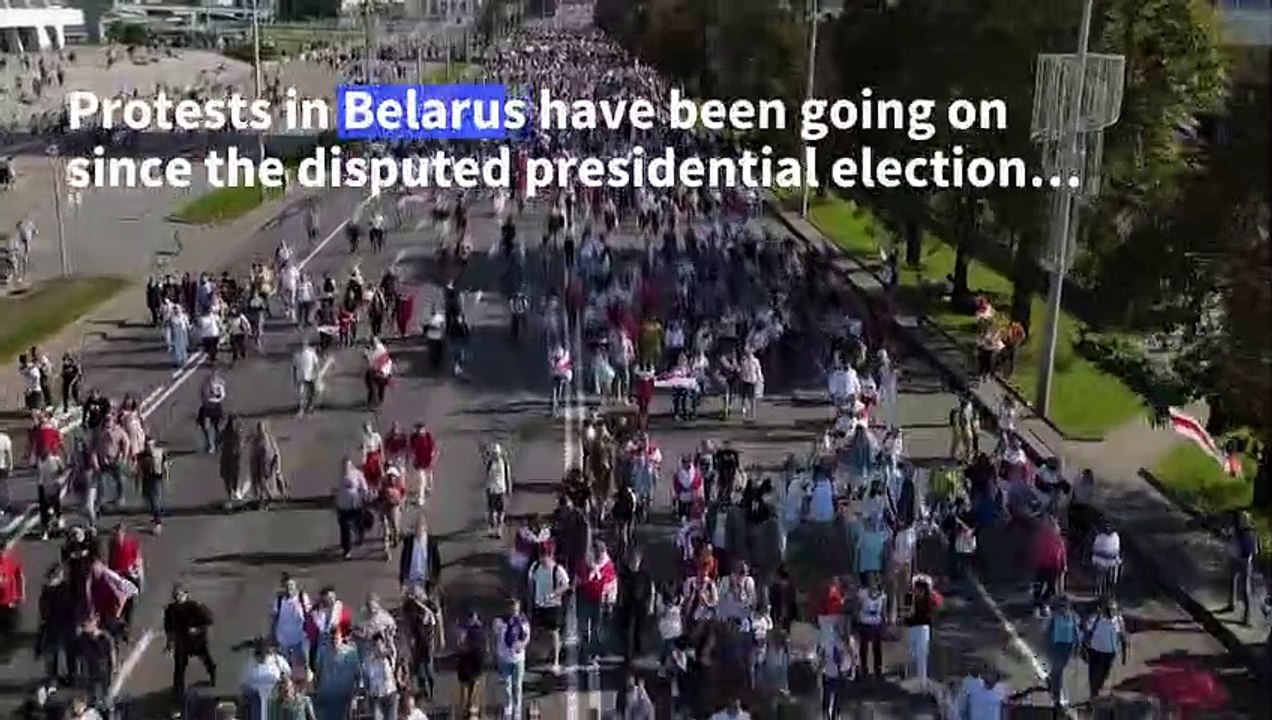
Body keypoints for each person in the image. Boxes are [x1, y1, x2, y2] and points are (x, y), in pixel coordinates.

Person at [164, 584, 217, 707]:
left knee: (206, 659)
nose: (178, 598)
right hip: (182, 641)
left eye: (180, 595)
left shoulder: (196, 606)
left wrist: (197, 629)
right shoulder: (171, 610)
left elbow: (209, 621)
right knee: (179, 666)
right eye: (175, 596)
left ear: (186, 594)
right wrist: (169, 644)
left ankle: (213, 675)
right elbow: (169, 629)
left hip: (197, 640)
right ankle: (178, 691)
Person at [527, 549, 570, 673]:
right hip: (539, 604)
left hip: (553, 605)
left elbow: (565, 585)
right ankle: (543, 654)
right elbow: (531, 584)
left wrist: (553, 594)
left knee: (553, 633)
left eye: (544, 556)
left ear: (550, 556)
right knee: (538, 631)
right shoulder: (535, 567)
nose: (542, 559)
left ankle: (556, 661)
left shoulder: (558, 569)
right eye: (541, 556)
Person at [493, 599, 530, 720]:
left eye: (516, 609)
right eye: (511, 608)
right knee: (506, 685)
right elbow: (496, 636)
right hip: (504, 658)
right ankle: (508, 706)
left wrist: (522, 645)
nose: (513, 611)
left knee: (517, 685)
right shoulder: (499, 622)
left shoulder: (523, 622)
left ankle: (517, 706)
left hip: (518, 659)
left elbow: (527, 637)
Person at [1083, 598, 1127, 701]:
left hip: (1110, 653)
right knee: (1094, 675)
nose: (1110, 612)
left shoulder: (1118, 620)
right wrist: (1083, 646)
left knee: (1104, 675)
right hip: (1095, 651)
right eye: (1108, 609)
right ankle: (1093, 696)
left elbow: (1122, 636)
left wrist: (1124, 655)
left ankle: (1096, 692)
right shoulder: (1096, 618)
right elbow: (1087, 631)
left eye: (1112, 609)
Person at [1044, 597, 1081, 708]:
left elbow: (1075, 631)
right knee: (1058, 670)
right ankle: (1057, 697)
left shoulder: (1072, 617)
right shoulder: (1055, 618)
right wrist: (1049, 645)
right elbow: (1048, 632)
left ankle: (1050, 680)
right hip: (1057, 646)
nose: (1064, 609)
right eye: (1062, 607)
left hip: (1068, 646)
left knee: (1058, 670)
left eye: (1065, 607)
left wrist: (1077, 645)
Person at [334, 458, 368, 559]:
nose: (345, 468)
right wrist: (336, 505)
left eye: (347, 465)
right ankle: (346, 550)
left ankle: (360, 538)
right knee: (345, 528)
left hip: (355, 504)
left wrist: (364, 497)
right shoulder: (338, 476)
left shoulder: (357, 474)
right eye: (343, 465)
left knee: (359, 523)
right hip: (343, 506)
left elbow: (364, 488)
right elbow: (336, 491)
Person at [399, 513, 442, 589]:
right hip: (410, 579)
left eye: (421, 526)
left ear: (425, 527)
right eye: (417, 526)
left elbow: (437, 562)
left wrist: (435, 579)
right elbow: (403, 560)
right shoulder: (409, 541)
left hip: (426, 579)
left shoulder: (432, 542)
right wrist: (402, 578)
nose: (418, 528)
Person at [484, 443, 511, 537]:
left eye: (497, 453)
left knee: (500, 511)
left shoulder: (504, 463)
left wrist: (509, 488)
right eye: (494, 454)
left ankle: (499, 529)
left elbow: (508, 476)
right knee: (491, 510)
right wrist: (487, 488)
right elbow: (487, 475)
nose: (495, 455)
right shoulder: (490, 463)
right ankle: (492, 528)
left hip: (501, 489)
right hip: (491, 489)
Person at [293, 339, 320, 415]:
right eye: (302, 344)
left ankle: (309, 406)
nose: (303, 346)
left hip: (309, 375)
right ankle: (303, 407)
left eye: (304, 344)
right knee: (302, 393)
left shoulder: (310, 353)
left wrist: (316, 374)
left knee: (311, 392)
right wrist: (295, 377)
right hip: (302, 375)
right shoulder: (297, 354)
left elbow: (316, 364)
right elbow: (294, 367)